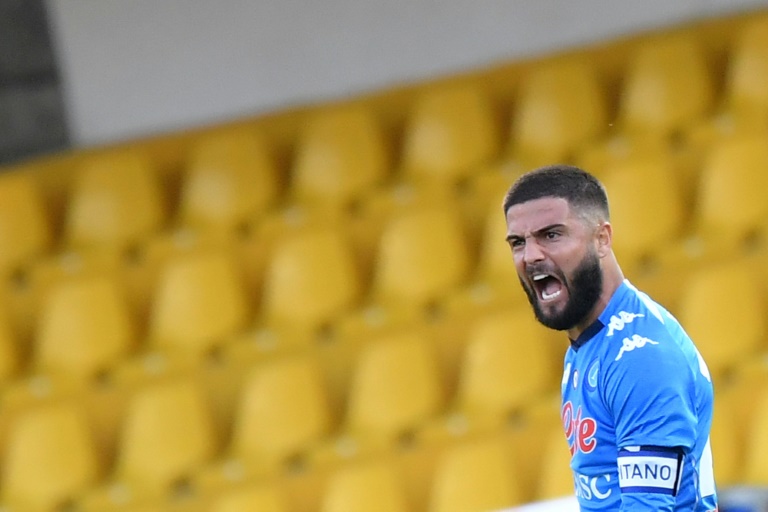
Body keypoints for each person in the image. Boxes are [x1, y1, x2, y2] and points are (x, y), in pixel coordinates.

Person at [503, 164, 717, 511]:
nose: (531, 256)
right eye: (518, 242)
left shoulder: (640, 357)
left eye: (551, 235)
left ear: (602, 238)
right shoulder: (591, 343)